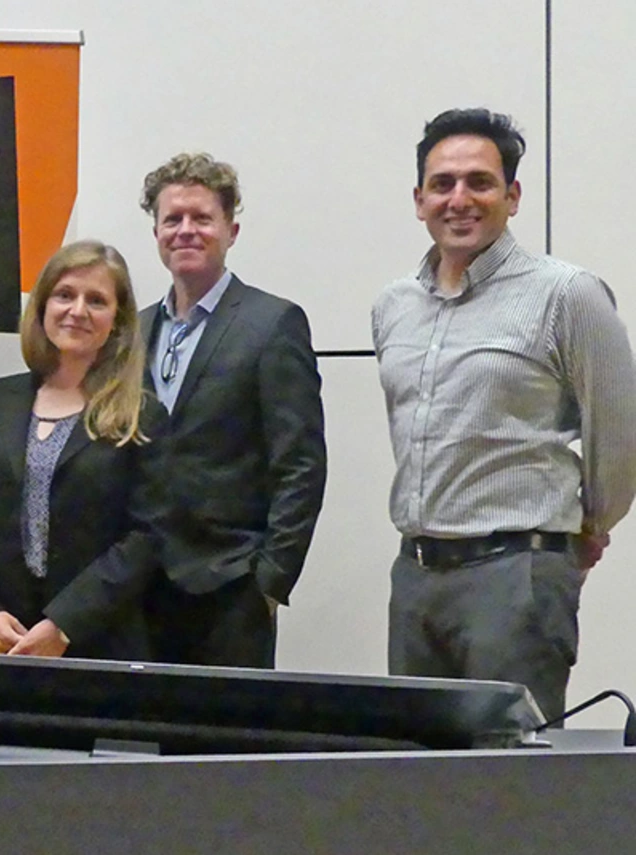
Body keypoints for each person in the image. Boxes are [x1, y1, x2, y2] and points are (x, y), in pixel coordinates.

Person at [374, 108, 636, 720]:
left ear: (512, 197)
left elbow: (619, 435)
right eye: (442, 184)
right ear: (419, 200)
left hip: (516, 577)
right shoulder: (393, 306)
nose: (459, 199)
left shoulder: (566, 294)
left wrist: (586, 529)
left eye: (480, 182)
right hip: (414, 576)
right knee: (414, 762)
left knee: (511, 768)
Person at [137, 153, 327, 668]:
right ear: (156, 233)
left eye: (202, 218)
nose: (186, 230)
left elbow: (301, 464)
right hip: (137, 590)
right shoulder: (133, 332)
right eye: (172, 219)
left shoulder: (272, 324)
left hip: (231, 588)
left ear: (231, 231)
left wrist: (270, 582)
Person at [0, 240, 166, 661]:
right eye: (64, 295)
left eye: (96, 300)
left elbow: (147, 536)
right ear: (43, 307)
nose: (77, 310)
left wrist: (64, 624)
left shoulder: (141, 416)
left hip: (98, 645)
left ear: (117, 320)